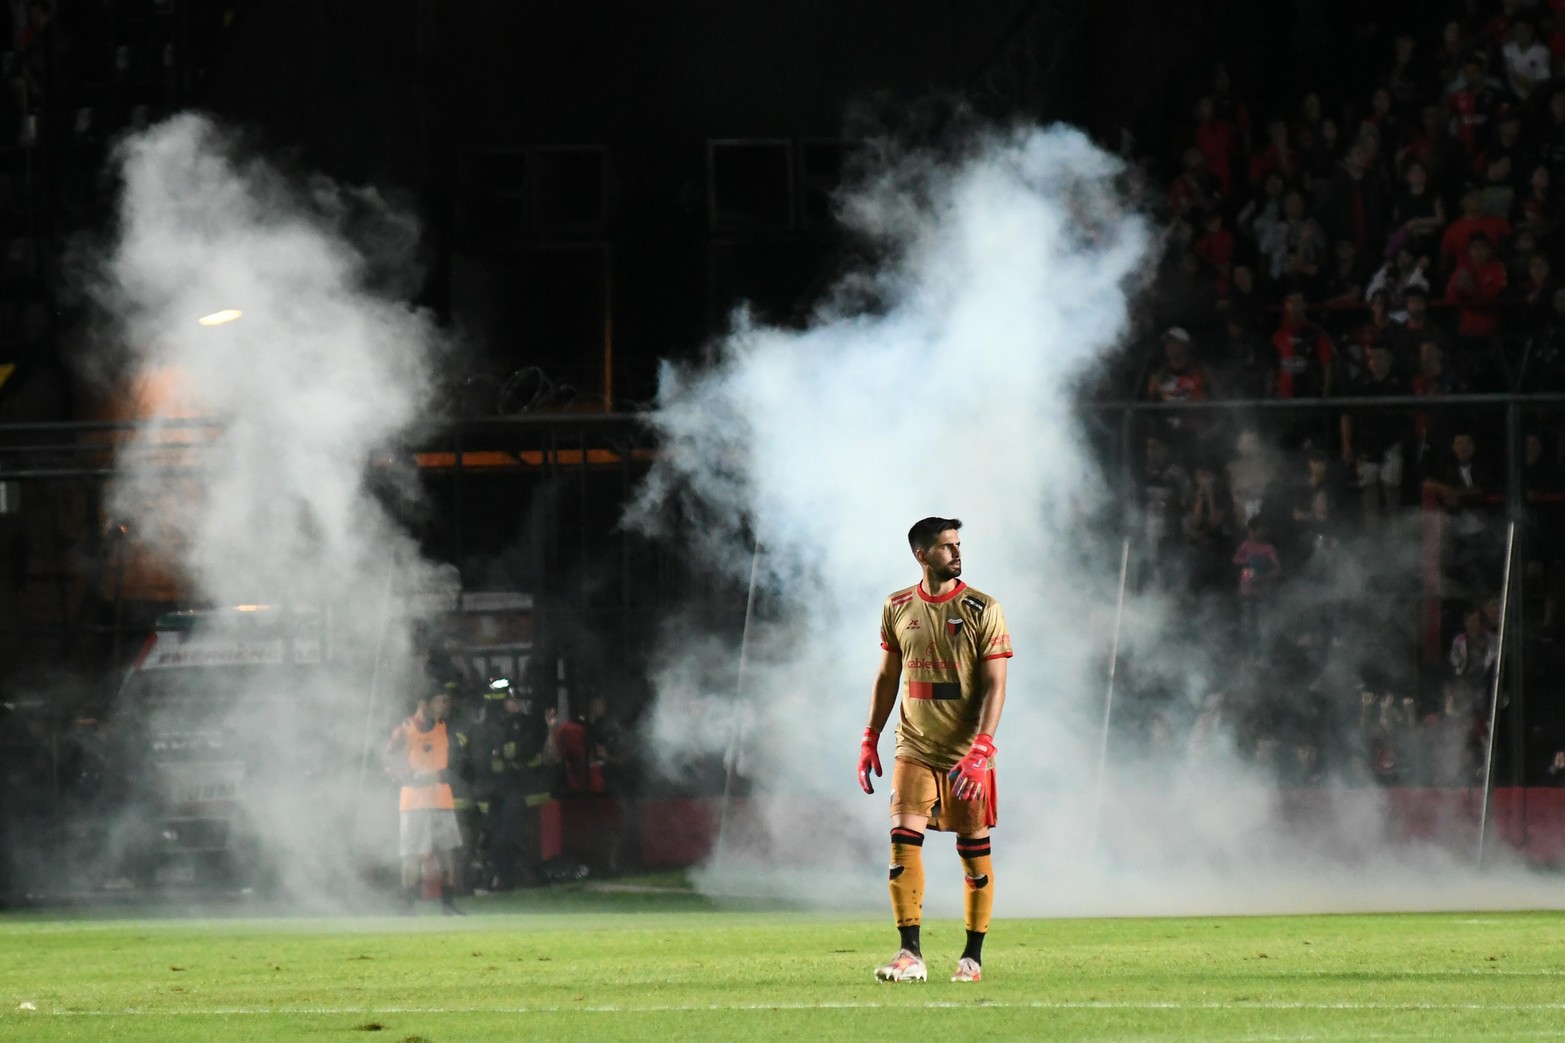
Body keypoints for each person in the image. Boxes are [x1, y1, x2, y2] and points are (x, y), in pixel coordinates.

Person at [858, 517, 1013, 984]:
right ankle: (910, 954)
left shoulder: (982, 608)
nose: (957, 553)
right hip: (914, 747)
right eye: (946, 547)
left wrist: (982, 747)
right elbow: (888, 678)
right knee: (902, 842)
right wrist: (871, 736)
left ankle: (972, 957)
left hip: (968, 752)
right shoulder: (897, 606)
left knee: (973, 853)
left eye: (958, 545)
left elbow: (996, 685)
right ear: (921, 555)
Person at [383, 687, 465, 914]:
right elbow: (388, 759)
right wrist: (409, 778)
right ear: (423, 704)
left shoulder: (443, 728)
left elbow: (454, 762)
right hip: (414, 803)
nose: (445, 706)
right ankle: (407, 905)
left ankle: (448, 905)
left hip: (441, 800)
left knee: (447, 853)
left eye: (447, 702)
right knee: (411, 855)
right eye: (441, 701)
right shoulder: (405, 730)